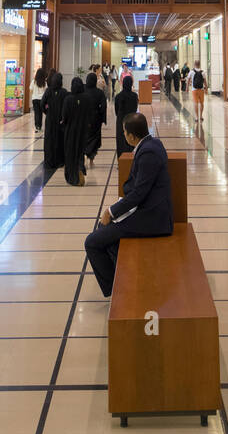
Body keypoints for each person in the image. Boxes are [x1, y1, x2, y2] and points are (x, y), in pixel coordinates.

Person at [84, 112, 173, 297]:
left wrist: (111, 211)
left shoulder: (148, 152)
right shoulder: (150, 144)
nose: (123, 135)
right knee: (105, 233)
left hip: (151, 217)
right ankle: (121, 280)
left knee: (92, 242)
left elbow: (139, 193)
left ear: (132, 136)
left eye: (124, 132)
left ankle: (114, 290)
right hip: (146, 209)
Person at [61, 76, 87, 185]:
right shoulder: (86, 98)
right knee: (80, 151)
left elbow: (64, 116)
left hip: (70, 130)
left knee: (70, 152)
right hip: (83, 129)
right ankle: (80, 167)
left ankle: (73, 176)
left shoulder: (68, 99)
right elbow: (89, 114)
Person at [83, 69, 107, 168]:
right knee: (95, 139)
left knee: (84, 138)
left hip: (84, 119)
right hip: (95, 119)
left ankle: (84, 154)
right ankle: (91, 160)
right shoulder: (99, 93)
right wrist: (102, 118)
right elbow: (103, 106)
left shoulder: (83, 91)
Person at [42, 71, 66, 168]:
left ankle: (49, 161)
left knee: (49, 140)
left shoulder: (48, 91)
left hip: (50, 120)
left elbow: (42, 103)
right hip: (60, 120)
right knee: (59, 140)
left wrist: (47, 112)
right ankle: (59, 161)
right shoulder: (64, 92)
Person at [114, 72, 139, 156]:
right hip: (132, 120)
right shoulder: (134, 96)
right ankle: (131, 160)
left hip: (121, 121)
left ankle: (121, 161)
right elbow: (135, 108)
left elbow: (116, 111)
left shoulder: (118, 96)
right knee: (132, 140)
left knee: (121, 141)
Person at [30, 67, 47, 135]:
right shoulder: (44, 82)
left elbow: (30, 89)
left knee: (36, 113)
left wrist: (34, 95)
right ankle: (40, 126)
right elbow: (46, 91)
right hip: (42, 99)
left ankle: (37, 126)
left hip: (35, 99)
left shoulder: (34, 81)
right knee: (41, 113)